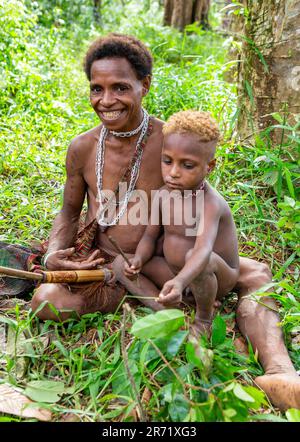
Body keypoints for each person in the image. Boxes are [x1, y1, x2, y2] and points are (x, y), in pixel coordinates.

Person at [31, 33, 300, 411]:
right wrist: (55, 254)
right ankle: (152, 301)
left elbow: (201, 199)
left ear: (145, 85)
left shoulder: (173, 140)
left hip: (169, 258)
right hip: (111, 263)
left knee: (253, 274)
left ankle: (280, 372)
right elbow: (68, 211)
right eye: (97, 88)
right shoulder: (83, 148)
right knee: (46, 302)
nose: (106, 101)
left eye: (120, 87)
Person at [120, 110, 239, 336]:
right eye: (167, 161)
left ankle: (204, 318)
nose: (173, 173)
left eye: (187, 165)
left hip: (214, 278)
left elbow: (203, 251)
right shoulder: (163, 195)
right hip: (178, 275)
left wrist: (182, 280)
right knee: (119, 263)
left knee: (194, 257)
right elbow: (149, 236)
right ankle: (164, 305)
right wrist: (138, 258)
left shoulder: (210, 203)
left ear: (209, 166)